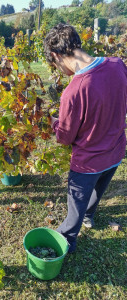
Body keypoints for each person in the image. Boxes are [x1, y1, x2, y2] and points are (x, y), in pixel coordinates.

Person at [43, 24, 127, 253]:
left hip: (87, 163)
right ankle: (89, 217)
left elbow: (65, 137)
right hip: (117, 152)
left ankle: (66, 240)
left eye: (54, 64)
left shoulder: (74, 91)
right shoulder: (117, 64)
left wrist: (53, 123)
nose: (57, 69)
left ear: (55, 55)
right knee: (97, 192)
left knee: (75, 205)